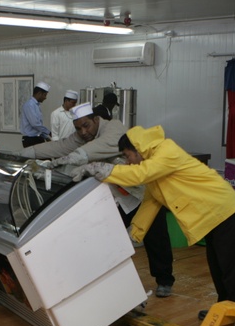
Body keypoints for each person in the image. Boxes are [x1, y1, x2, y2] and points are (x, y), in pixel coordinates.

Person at [73, 125, 235, 311]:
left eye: (127, 156)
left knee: (231, 270)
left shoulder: (166, 151)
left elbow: (139, 175)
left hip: (225, 211)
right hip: (214, 215)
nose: (128, 162)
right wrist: (135, 232)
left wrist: (99, 168)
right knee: (218, 267)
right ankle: (224, 311)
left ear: (137, 150)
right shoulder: (154, 166)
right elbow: (151, 202)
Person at [24, 104, 175, 297]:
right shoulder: (83, 137)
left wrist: (71, 158)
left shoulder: (114, 128)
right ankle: (108, 281)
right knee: (106, 236)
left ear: (96, 120)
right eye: (78, 128)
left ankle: (164, 280)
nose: (83, 132)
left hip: (143, 193)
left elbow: (95, 149)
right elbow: (58, 146)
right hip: (119, 198)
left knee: (156, 238)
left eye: (86, 125)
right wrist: (24, 154)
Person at [20, 82, 51, 147]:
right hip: (30, 140)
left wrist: (45, 136)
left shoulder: (36, 105)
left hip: (37, 138)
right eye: (45, 95)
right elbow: (35, 124)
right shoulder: (29, 105)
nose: (45, 98)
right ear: (39, 93)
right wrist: (49, 132)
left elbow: (37, 128)